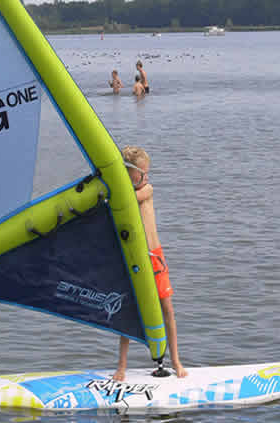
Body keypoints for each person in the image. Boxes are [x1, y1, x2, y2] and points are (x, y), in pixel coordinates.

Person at [113, 146, 187, 381]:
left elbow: (130, 200)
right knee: (129, 311)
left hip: (154, 257)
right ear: (130, 173)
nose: (147, 176)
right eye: (143, 172)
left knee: (167, 309)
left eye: (147, 172)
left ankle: (175, 360)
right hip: (134, 260)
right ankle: (122, 365)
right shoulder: (120, 192)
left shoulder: (146, 189)